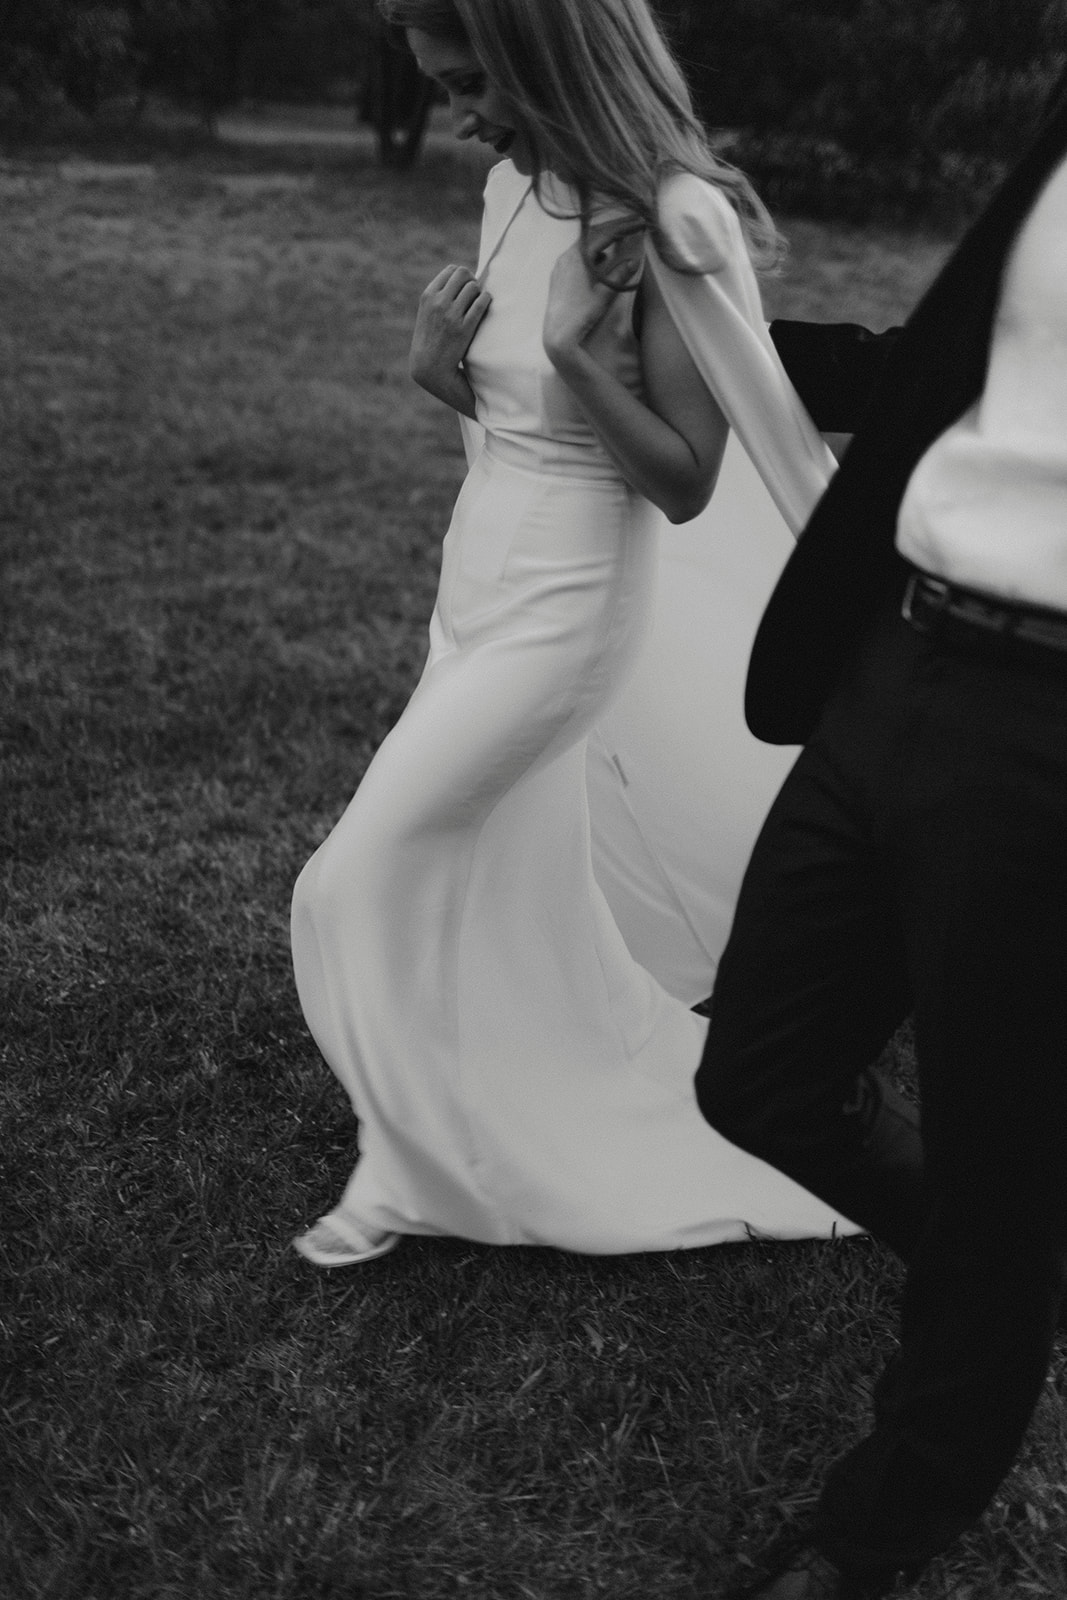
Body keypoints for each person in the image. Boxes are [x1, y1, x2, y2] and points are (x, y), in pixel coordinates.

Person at [289, 0, 857, 1267]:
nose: (457, 116)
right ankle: (471, 1113)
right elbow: (512, 420)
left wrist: (577, 354)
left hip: (567, 608)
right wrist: (443, 374)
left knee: (348, 881)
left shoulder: (664, 221)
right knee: (503, 870)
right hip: (477, 580)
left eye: (468, 81)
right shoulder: (514, 185)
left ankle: (427, 1166)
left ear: (542, 54)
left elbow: (685, 480)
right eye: (440, 86)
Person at [695, 64, 1067, 1600]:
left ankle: (877, 1526)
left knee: (996, 1157)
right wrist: (726, 333)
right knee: (758, 1074)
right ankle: (1008, 1272)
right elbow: (973, 354)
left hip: (1045, 734)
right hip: (892, 659)